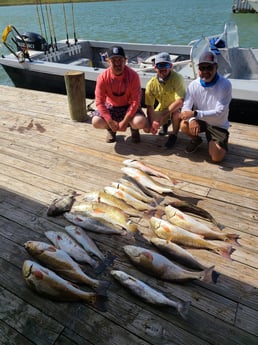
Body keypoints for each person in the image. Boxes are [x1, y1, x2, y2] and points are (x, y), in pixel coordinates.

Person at [179, 50, 232, 163]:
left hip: (218, 124)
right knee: (184, 125)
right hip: (200, 120)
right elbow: (185, 107)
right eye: (202, 68)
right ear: (198, 69)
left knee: (216, 158)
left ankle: (215, 140)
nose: (205, 71)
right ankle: (196, 140)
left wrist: (194, 114)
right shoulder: (193, 85)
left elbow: (220, 111)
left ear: (216, 67)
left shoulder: (225, 85)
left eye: (209, 67)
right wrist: (193, 119)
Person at [92, 45, 147, 143]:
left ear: (125, 60)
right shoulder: (102, 77)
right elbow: (99, 102)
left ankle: (134, 129)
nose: (117, 63)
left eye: (120, 60)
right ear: (108, 61)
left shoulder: (134, 76)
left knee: (140, 122)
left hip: (129, 106)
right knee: (96, 121)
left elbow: (135, 101)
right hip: (111, 107)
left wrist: (125, 122)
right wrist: (109, 121)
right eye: (114, 60)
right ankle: (111, 129)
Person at [144, 52, 185, 148]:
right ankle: (165, 124)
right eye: (159, 65)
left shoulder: (178, 78)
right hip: (163, 106)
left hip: (177, 107)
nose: (163, 68)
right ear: (155, 67)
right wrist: (152, 122)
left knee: (175, 114)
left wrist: (161, 116)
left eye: (166, 65)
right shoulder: (151, 84)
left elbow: (180, 101)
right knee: (147, 128)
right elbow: (149, 107)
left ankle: (174, 135)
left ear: (170, 66)